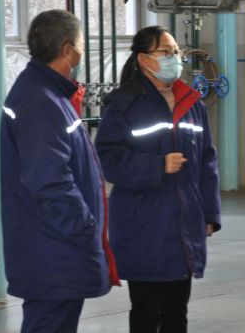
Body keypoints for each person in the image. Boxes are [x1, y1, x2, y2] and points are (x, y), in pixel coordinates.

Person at [95, 26, 221, 333]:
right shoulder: (123, 105)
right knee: (147, 312)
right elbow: (109, 160)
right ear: (143, 59)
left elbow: (207, 161)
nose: (174, 58)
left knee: (177, 312)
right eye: (166, 52)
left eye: (176, 52)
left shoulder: (191, 103)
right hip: (144, 226)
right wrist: (157, 166)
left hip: (183, 223)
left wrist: (210, 213)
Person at [0, 9, 120, 333]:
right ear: (68, 50)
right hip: (53, 251)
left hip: (53, 248)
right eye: (80, 45)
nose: (81, 53)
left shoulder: (47, 94)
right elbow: (48, 181)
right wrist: (85, 226)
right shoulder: (41, 102)